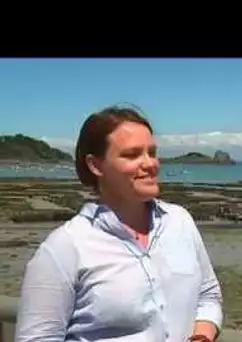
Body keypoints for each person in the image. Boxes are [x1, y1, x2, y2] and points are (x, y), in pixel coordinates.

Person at [15, 106, 223, 342]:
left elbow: (208, 295)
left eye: (152, 152)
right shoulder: (64, 248)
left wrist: (201, 338)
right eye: (133, 154)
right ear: (96, 166)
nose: (150, 163)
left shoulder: (180, 222)